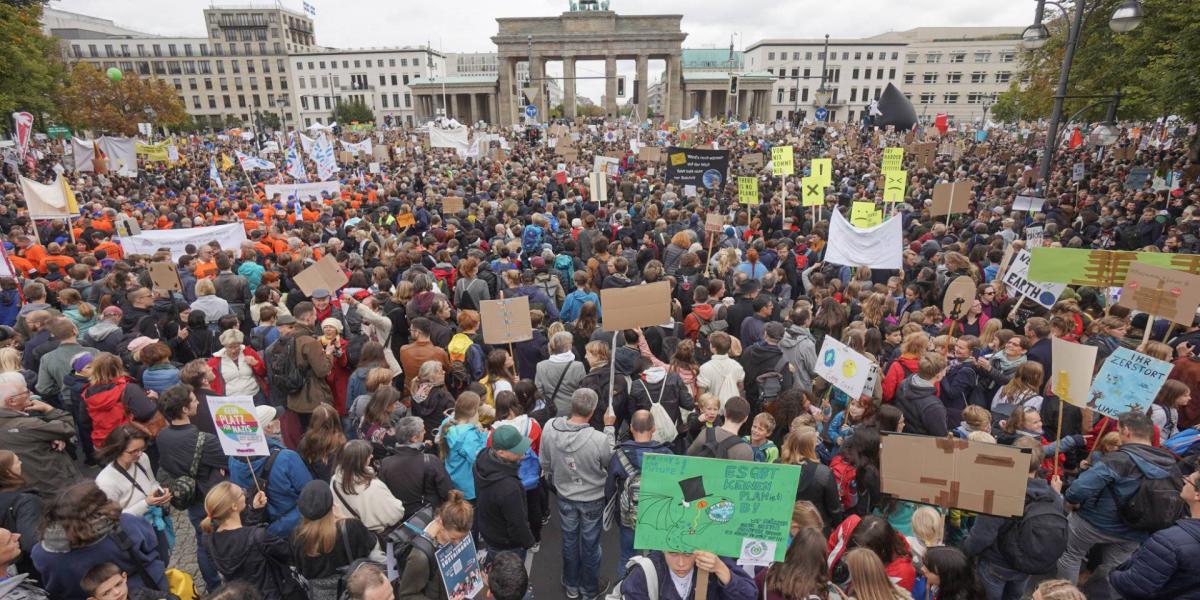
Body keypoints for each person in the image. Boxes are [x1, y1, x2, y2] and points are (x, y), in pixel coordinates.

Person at [1056, 411, 1183, 595]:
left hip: (1093, 522)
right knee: (1114, 569)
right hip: (1137, 530)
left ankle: (1065, 596)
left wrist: (1072, 501)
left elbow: (1078, 489)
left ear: (1126, 431)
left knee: (1070, 555)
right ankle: (1096, 594)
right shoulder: (1170, 464)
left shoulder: (1117, 459)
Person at [964, 438, 1066, 600]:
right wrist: (1057, 494)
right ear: (1040, 464)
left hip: (996, 566)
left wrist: (965, 553)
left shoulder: (1000, 493)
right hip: (1025, 566)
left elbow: (981, 538)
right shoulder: (1052, 495)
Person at [31, 481, 166, 600]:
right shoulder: (126, 524)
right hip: (147, 592)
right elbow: (157, 550)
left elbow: (56, 590)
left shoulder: (41, 554)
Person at [541, 388, 616, 597]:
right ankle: (589, 589)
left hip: (564, 496)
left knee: (569, 540)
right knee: (591, 545)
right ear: (592, 411)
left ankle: (571, 585)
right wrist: (609, 427)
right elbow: (610, 462)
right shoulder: (598, 438)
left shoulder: (549, 427)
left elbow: (544, 462)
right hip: (593, 498)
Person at [155, 383, 227, 591]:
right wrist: (216, 470)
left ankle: (213, 586)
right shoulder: (204, 440)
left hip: (191, 499)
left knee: (202, 543)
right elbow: (226, 459)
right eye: (193, 400)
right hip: (212, 496)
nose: (197, 402)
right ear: (185, 409)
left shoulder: (162, 436)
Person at [1109, 458, 1200, 599]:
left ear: (1197, 495)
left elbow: (1132, 587)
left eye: (1189, 480)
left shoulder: (1168, 541)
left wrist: (1113, 574)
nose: (1184, 480)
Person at [201, 481, 306, 600]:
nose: (245, 495)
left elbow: (240, 536)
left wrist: (255, 511)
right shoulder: (258, 536)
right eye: (242, 493)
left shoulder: (208, 540)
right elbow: (290, 554)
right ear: (234, 506)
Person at [94, 425, 174, 566]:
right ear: (117, 450)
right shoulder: (106, 481)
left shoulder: (142, 458)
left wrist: (160, 492)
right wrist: (146, 504)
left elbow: (152, 482)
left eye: (141, 449)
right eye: (133, 451)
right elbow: (111, 519)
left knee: (164, 560)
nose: (139, 454)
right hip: (134, 534)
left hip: (154, 524)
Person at [606, 410, 673, 578]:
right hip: (658, 518)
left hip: (628, 517)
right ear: (654, 428)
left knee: (626, 557)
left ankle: (625, 590)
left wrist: (617, 514)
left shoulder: (619, 455)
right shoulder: (666, 454)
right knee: (659, 558)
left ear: (630, 428)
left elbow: (609, 490)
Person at [229, 405, 313, 539]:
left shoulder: (233, 459)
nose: (280, 421)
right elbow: (309, 492)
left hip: (259, 529)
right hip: (292, 528)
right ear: (268, 427)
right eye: (276, 419)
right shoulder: (287, 458)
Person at [291, 481, 383, 600]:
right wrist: (345, 518)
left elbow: (302, 571)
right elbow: (374, 548)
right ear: (331, 505)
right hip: (356, 591)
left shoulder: (296, 537)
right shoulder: (350, 527)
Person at [0, 377, 80, 499]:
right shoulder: (26, 425)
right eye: (26, 392)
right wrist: (49, 409)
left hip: (27, 489)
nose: (31, 394)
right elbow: (68, 427)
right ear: (12, 401)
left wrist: (50, 436)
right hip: (55, 486)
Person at [395, 490, 476, 600]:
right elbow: (407, 595)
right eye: (454, 538)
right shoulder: (420, 557)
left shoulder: (451, 530)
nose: (458, 543)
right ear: (441, 523)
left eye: (462, 538)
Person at [379, 415, 453, 519]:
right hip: (426, 517)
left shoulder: (385, 463)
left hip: (398, 517)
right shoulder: (431, 461)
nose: (425, 432)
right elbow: (447, 492)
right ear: (414, 438)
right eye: (422, 430)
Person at [330, 440, 406, 533]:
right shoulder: (373, 486)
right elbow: (396, 514)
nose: (372, 456)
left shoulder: (334, 479)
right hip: (375, 537)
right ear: (360, 461)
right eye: (368, 455)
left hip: (352, 533)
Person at [619, 549, 757, 600]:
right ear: (662, 549)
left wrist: (721, 569)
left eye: (688, 554)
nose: (681, 563)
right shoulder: (646, 573)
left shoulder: (712, 562)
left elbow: (750, 595)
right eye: (672, 553)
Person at [781, 429, 842, 531]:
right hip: (814, 529)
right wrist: (837, 526)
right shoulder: (823, 473)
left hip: (783, 525)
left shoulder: (777, 465)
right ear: (811, 447)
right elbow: (834, 508)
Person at [756, 528, 842, 600]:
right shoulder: (814, 593)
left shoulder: (769, 572)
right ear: (821, 560)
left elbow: (749, 592)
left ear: (793, 547)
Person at [894, 352, 949, 437]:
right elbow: (941, 436)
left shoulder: (905, 383)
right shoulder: (933, 406)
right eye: (944, 370)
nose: (945, 373)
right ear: (938, 375)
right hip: (920, 443)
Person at [535, 331, 586, 417]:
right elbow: (583, 391)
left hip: (551, 411)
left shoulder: (541, 366)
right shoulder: (578, 366)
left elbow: (539, 392)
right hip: (573, 412)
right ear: (568, 347)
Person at [207, 329, 267, 402]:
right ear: (224, 345)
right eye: (230, 347)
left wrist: (256, 364)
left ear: (240, 344)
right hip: (231, 400)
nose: (233, 350)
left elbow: (263, 373)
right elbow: (211, 384)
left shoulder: (249, 352)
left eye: (236, 346)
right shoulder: (215, 361)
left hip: (255, 396)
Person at [687, 395, 754, 461]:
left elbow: (687, 457)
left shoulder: (705, 433)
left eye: (715, 409)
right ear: (746, 418)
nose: (712, 412)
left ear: (724, 412)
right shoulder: (746, 450)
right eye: (709, 409)